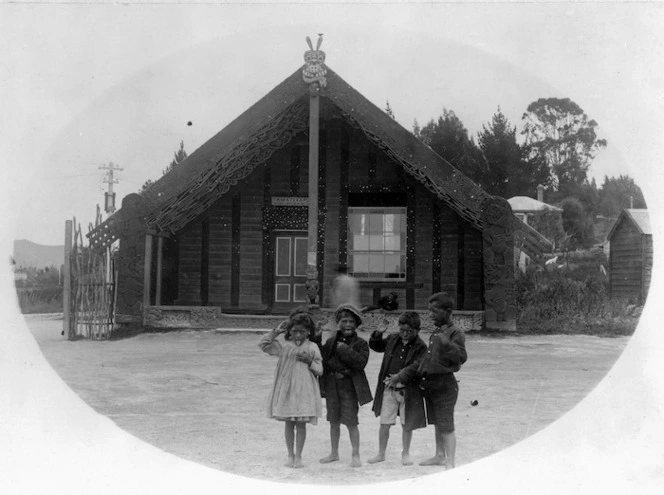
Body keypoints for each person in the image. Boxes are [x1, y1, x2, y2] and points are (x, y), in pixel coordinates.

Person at [258, 308, 323, 468]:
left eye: (302, 331)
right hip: (287, 390)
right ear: (290, 331)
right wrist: (277, 331)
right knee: (289, 423)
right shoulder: (284, 347)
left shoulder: (312, 346)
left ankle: (299, 456)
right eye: (294, 331)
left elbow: (320, 370)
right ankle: (290, 455)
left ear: (308, 332)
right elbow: (263, 344)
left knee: (300, 424)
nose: (298, 335)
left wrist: (309, 361)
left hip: (304, 390)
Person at [315, 304, 372, 467]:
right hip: (332, 386)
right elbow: (321, 358)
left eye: (351, 322)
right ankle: (334, 453)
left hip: (350, 387)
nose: (347, 325)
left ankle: (356, 454)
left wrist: (345, 349)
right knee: (333, 421)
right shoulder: (332, 341)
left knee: (351, 422)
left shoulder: (361, 344)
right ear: (338, 323)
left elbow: (361, 363)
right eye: (344, 321)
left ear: (357, 324)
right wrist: (317, 338)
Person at [367, 311, 428, 466]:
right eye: (402, 330)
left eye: (410, 331)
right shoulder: (393, 338)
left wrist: (399, 377)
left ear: (417, 330)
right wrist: (377, 334)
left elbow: (417, 366)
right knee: (385, 423)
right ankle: (381, 453)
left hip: (408, 390)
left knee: (407, 424)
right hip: (389, 388)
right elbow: (376, 346)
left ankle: (405, 454)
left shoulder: (421, 346)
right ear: (399, 328)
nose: (405, 334)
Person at [417, 292, 467, 469]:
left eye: (435, 311)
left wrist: (447, 343)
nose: (431, 315)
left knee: (446, 424)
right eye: (430, 311)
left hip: (446, 384)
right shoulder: (437, 332)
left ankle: (450, 463)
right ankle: (439, 455)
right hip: (432, 384)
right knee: (438, 421)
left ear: (448, 311)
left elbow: (461, 357)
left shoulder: (455, 333)